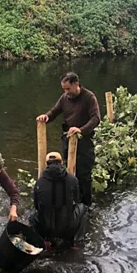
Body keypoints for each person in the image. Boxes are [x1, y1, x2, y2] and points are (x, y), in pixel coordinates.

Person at [36, 72, 100, 206]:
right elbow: (55, 111)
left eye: (68, 89)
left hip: (84, 141)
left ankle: (87, 206)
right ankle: (72, 202)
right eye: (64, 89)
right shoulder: (65, 97)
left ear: (76, 84)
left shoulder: (89, 97)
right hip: (67, 139)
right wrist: (46, 117)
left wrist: (80, 129)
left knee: (83, 176)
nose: (66, 92)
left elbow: (96, 118)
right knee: (68, 173)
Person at [30, 151, 88, 249]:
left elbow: (36, 205)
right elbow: (77, 200)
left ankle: (43, 241)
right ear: (61, 163)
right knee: (83, 208)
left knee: (32, 215)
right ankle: (76, 242)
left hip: (47, 228)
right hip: (67, 226)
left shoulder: (39, 182)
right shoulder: (72, 179)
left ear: (46, 164)